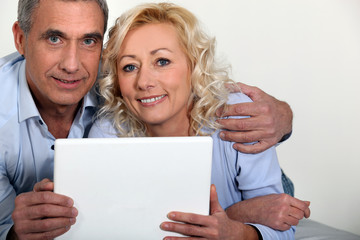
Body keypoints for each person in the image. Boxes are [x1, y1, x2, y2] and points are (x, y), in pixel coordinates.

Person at [0, 0, 307, 239]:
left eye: (89, 41)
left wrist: (284, 115)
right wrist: (236, 213)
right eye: (54, 38)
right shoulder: (110, 119)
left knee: (279, 197)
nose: (71, 63)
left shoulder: (234, 110)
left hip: (244, 168)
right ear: (21, 39)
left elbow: (279, 219)